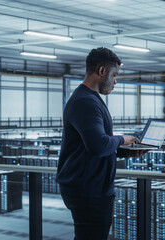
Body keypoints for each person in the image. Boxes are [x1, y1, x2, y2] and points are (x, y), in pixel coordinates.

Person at [57, 47, 144, 240]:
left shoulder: (89, 99)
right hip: (89, 190)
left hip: (90, 187)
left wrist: (123, 152)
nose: (115, 81)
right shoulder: (85, 102)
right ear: (102, 71)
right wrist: (122, 139)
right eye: (114, 75)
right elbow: (97, 145)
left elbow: (90, 145)